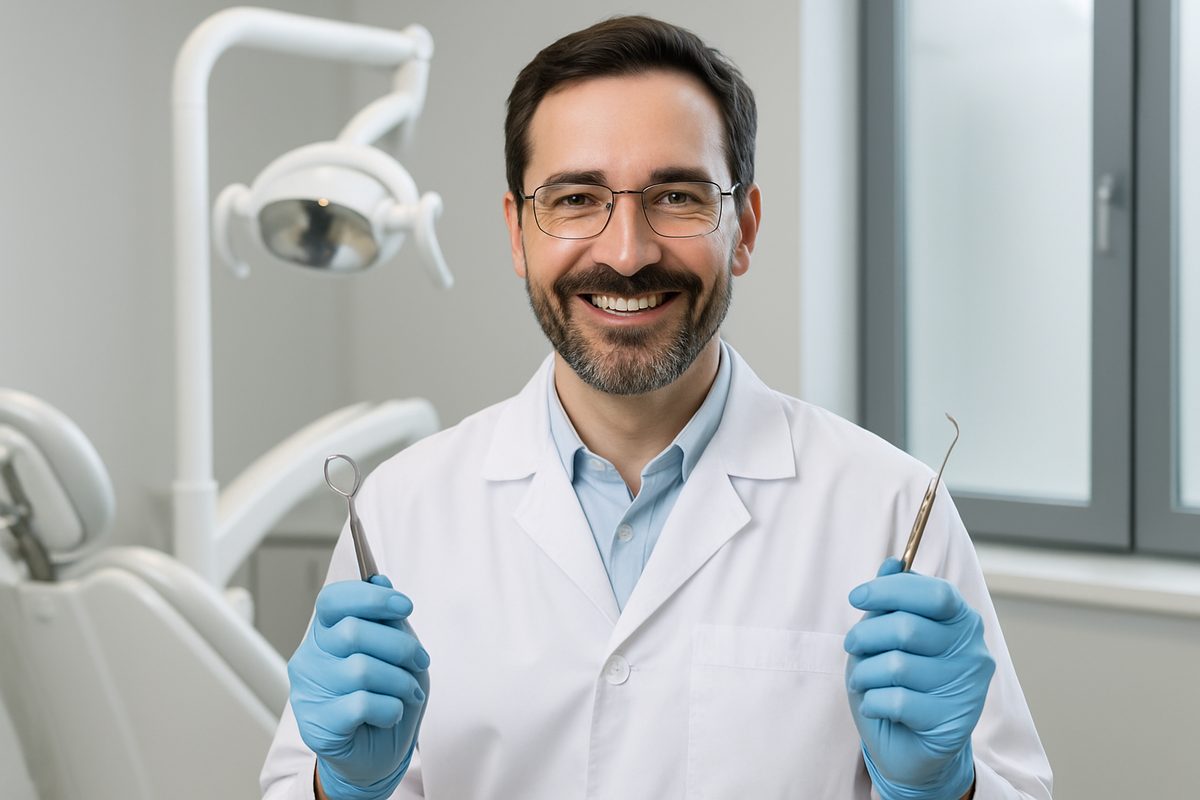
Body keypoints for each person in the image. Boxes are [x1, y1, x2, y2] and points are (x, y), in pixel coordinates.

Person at [261, 15, 1053, 800]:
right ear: (518, 233)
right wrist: (342, 790)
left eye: (677, 196)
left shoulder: (889, 506)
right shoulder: (403, 512)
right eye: (576, 198)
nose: (627, 252)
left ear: (742, 229)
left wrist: (947, 789)